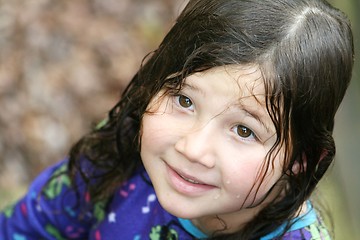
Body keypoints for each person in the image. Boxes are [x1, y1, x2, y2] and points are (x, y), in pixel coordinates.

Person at [0, 0, 354, 239]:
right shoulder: (116, 156)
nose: (192, 148)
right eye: (184, 100)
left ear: (301, 161)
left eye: (244, 130)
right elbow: (24, 229)